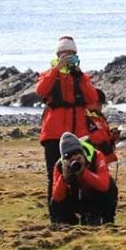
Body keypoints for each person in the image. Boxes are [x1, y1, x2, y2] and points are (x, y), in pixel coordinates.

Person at [35, 36, 99, 217]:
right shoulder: (48, 75)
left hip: (78, 133)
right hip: (53, 133)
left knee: (79, 173)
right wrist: (56, 69)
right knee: (55, 175)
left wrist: (79, 75)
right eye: (64, 54)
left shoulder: (81, 77)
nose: (67, 57)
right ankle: (56, 216)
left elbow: (93, 98)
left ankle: (78, 214)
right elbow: (40, 91)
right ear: (58, 55)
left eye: (71, 54)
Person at [50, 132, 117, 226]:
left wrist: (83, 172)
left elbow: (104, 185)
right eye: (68, 156)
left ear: (82, 152)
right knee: (55, 203)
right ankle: (68, 225)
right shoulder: (60, 166)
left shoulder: (96, 156)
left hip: (96, 196)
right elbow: (57, 198)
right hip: (76, 198)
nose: (74, 159)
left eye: (77, 153)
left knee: (110, 183)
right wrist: (64, 178)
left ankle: (107, 220)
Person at [84, 88, 119, 223]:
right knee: (95, 190)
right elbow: (90, 139)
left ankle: (107, 219)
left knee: (109, 190)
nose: (100, 106)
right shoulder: (84, 117)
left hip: (102, 161)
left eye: (101, 103)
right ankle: (93, 219)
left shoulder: (99, 118)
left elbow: (103, 138)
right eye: (98, 102)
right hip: (91, 161)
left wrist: (112, 138)